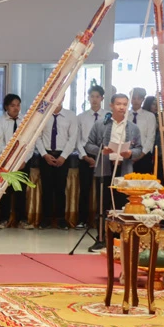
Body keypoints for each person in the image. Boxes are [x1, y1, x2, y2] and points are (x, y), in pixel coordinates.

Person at [85, 93, 143, 250]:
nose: (122, 107)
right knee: (103, 205)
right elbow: (88, 145)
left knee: (121, 206)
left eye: (125, 104)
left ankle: (120, 240)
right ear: (111, 106)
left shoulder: (132, 127)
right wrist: (101, 150)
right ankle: (102, 237)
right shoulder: (101, 125)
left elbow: (139, 149)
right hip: (105, 168)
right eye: (118, 104)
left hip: (123, 170)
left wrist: (131, 153)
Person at [35, 103, 78, 230]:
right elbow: (37, 136)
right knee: (46, 188)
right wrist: (44, 154)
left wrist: (64, 156)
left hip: (63, 156)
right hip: (46, 155)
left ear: (63, 97)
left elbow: (73, 138)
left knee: (60, 188)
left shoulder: (70, 116)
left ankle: (61, 219)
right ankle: (46, 219)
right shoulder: (43, 114)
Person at [0, 94, 34, 230]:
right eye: (12, 105)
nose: (16, 108)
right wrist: (8, 160)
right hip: (6, 163)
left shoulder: (26, 121)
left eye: (18, 105)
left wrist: (23, 159)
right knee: (4, 191)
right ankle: (4, 218)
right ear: (6, 107)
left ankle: (21, 219)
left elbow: (30, 142)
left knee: (21, 192)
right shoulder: (0, 122)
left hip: (23, 162)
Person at [76, 85, 106, 229]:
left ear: (102, 98)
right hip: (85, 157)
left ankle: (102, 220)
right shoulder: (81, 117)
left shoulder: (108, 117)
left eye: (97, 96)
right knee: (85, 189)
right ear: (88, 98)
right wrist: (84, 156)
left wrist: (101, 157)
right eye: (92, 96)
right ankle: (82, 220)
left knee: (103, 190)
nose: (94, 99)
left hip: (103, 156)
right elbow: (78, 140)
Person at [127, 87, 157, 174]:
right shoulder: (125, 115)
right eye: (133, 98)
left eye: (139, 98)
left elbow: (151, 137)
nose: (136, 101)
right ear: (130, 99)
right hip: (126, 154)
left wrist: (141, 155)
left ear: (143, 99)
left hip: (144, 154)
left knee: (143, 184)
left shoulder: (149, 116)